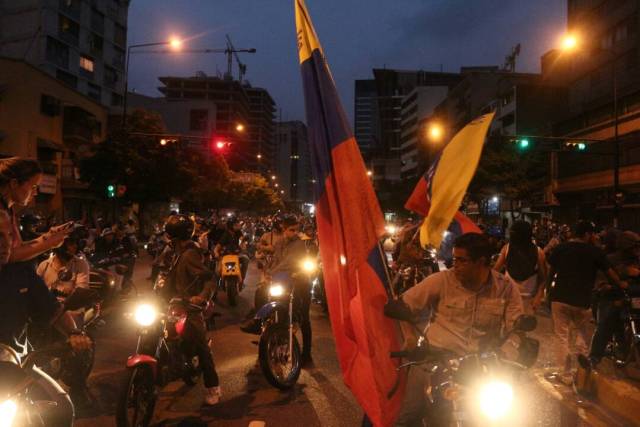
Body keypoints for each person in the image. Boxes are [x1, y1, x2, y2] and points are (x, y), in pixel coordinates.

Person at [391, 233, 524, 426]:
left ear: (481, 262)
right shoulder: (441, 280)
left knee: (497, 418)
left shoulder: (505, 288)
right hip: (433, 360)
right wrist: (410, 338)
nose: (456, 265)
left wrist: (508, 353)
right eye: (454, 259)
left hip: (479, 367)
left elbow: (517, 327)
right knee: (409, 415)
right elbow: (404, 305)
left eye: (462, 260)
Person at [0, 209, 93, 407]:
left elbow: (52, 309)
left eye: (9, 235)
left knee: (62, 408)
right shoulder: (43, 265)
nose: (5, 242)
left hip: (19, 367)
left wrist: (74, 332)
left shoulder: (22, 274)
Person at [532, 221, 626, 381]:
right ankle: (582, 373)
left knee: (561, 336)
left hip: (560, 298)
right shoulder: (595, 251)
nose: (595, 237)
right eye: (593, 234)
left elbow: (550, 273)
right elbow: (611, 273)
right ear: (587, 234)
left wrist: (548, 294)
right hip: (582, 300)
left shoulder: (561, 248)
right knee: (581, 335)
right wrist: (622, 285)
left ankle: (566, 374)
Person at [164, 214, 221, 405]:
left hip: (189, 305)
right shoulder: (171, 252)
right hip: (170, 302)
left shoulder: (189, 254)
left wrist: (202, 298)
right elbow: (161, 274)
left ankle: (213, 387)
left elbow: (209, 278)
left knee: (202, 346)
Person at [241, 216, 314, 364]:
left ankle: (306, 353)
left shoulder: (299, 244)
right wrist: (267, 273)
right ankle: (258, 322)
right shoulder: (280, 242)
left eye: (296, 230)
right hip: (284, 281)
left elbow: (288, 263)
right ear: (284, 229)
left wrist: (272, 272)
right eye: (291, 230)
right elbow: (275, 259)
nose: (294, 232)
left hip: (300, 282)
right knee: (261, 292)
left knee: (304, 318)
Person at [0, 157, 72, 262]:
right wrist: (49, 243)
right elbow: (9, 255)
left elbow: (17, 248)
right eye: (33, 187)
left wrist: (47, 237)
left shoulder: (8, 209)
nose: (35, 193)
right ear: (14, 183)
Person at [589, 230, 640, 366]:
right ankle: (594, 357)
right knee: (605, 324)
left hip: (634, 299)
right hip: (613, 298)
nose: (637, 250)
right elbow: (600, 280)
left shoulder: (638, 261)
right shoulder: (610, 259)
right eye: (634, 246)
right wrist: (607, 285)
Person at [493, 221, 547, 313]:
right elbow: (495, 272)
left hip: (528, 300)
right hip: (508, 297)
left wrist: (538, 296)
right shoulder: (507, 248)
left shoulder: (538, 252)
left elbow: (543, 278)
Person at [37, 232, 90, 296]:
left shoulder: (80, 264)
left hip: (70, 305)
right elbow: (36, 289)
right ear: (59, 246)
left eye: (75, 243)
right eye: (71, 243)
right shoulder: (44, 265)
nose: (75, 246)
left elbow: (81, 291)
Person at [214, 218, 249, 283]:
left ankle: (242, 279)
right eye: (236, 225)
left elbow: (242, 240)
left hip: (237, 255)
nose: (238, 226)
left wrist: (243, 243)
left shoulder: (239, 233)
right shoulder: (225, 234)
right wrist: (216, 252)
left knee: (246, 259)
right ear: (231, 226)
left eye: (238, 224)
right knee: (218, 271)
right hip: (225, 256)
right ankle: (216, 285)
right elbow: (218, 245)